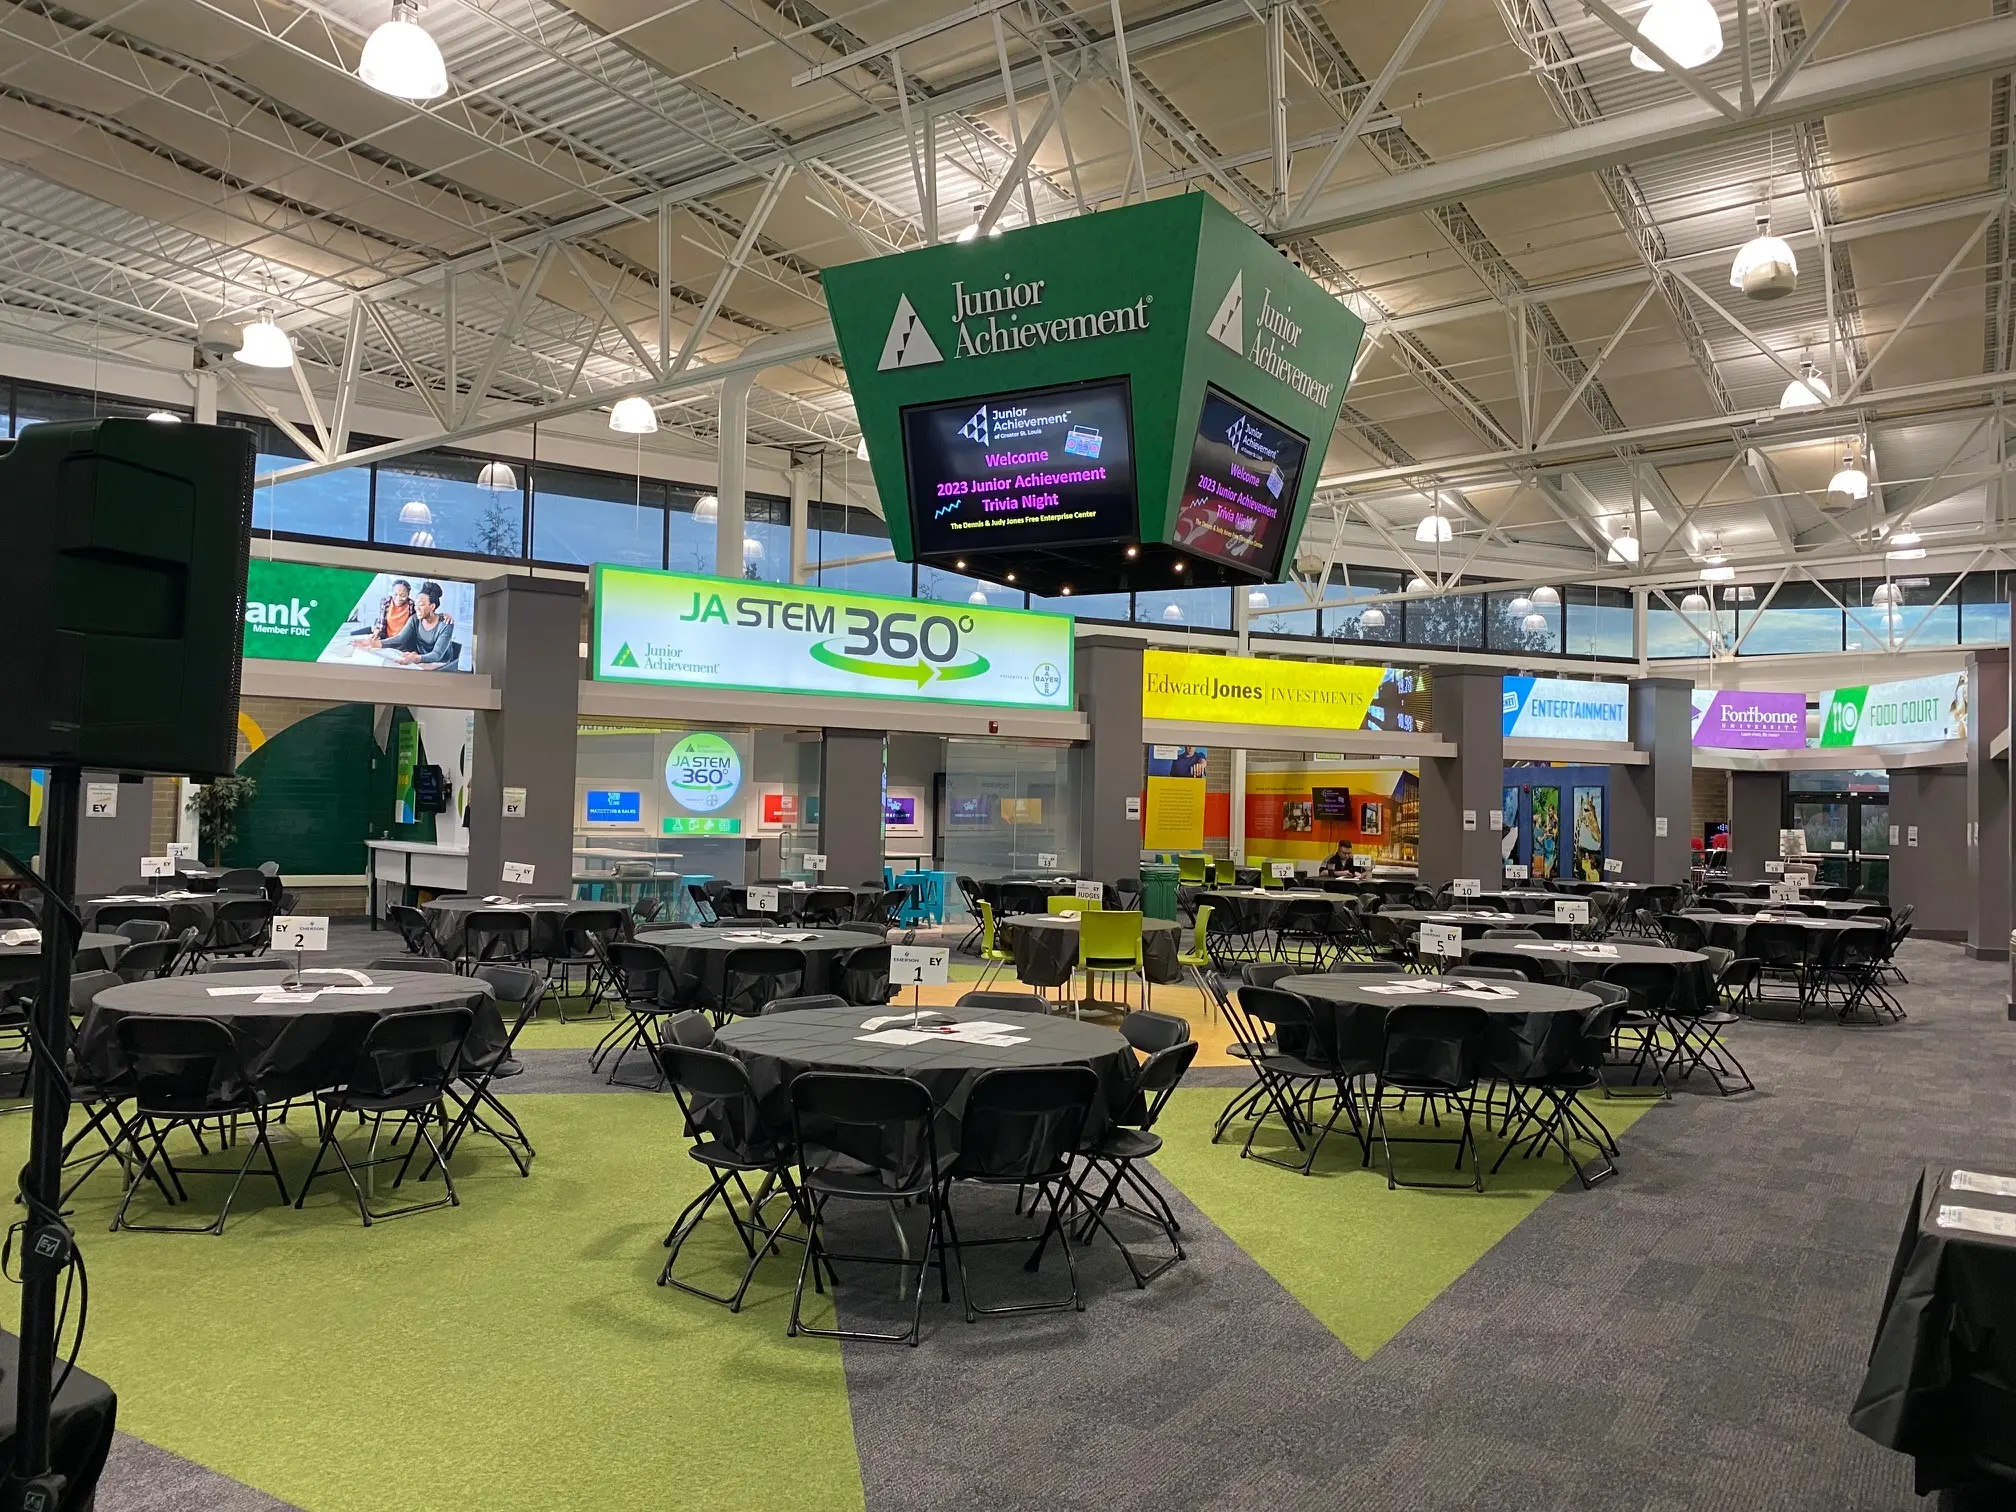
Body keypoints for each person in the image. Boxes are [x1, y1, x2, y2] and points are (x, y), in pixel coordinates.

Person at [380, 581, 459, 668]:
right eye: (416, 604)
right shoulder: (414, 619)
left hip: (441, 662)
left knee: (413, 670)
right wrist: (373, 643)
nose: (417, 608)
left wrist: (416, 658)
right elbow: (400, 639)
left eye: (421, 605)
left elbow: (437, 654)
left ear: (432, 606)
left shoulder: (446, 624)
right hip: (422, 657)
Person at [353, 579, 413, 647]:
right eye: (395, 594)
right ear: (392, 592)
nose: (398, 598)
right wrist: (376, 632)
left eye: (403, 595)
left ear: (408, 594)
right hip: (385, 641)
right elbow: (380, 622)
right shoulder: (385, 602)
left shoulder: (412, 606)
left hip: (403, 644)